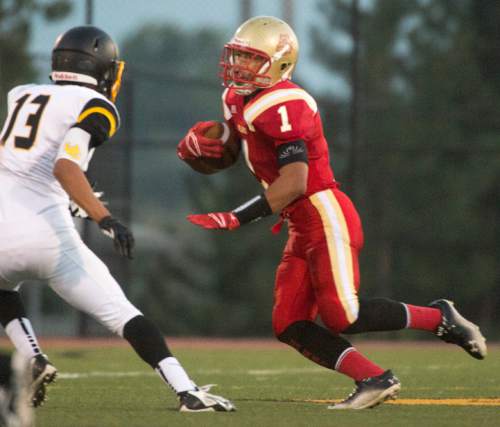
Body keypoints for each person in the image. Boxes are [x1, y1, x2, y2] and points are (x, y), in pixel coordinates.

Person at [178, 16, 487, 410]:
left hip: (324, 213)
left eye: (250, 59)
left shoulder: (286, 104)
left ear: (280, 64)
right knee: (289, 323)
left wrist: (237, 216)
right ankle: (374, 378)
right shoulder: (235, 97)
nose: (238, 66)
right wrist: (209, 149)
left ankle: (438, 317)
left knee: (342, 314)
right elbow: (242, 144)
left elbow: (295, 181)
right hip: (298, 223)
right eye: (236, 55)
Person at [0, 25, 234, 413]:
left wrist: (79, 193)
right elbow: (64, 165)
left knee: (3, 289)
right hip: (46, 236)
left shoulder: (21, 94)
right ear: (102, 68)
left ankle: (33, 357)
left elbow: (27, 161)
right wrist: (105, 218)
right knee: (123, 314)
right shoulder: (97, 105)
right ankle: (187, 391)